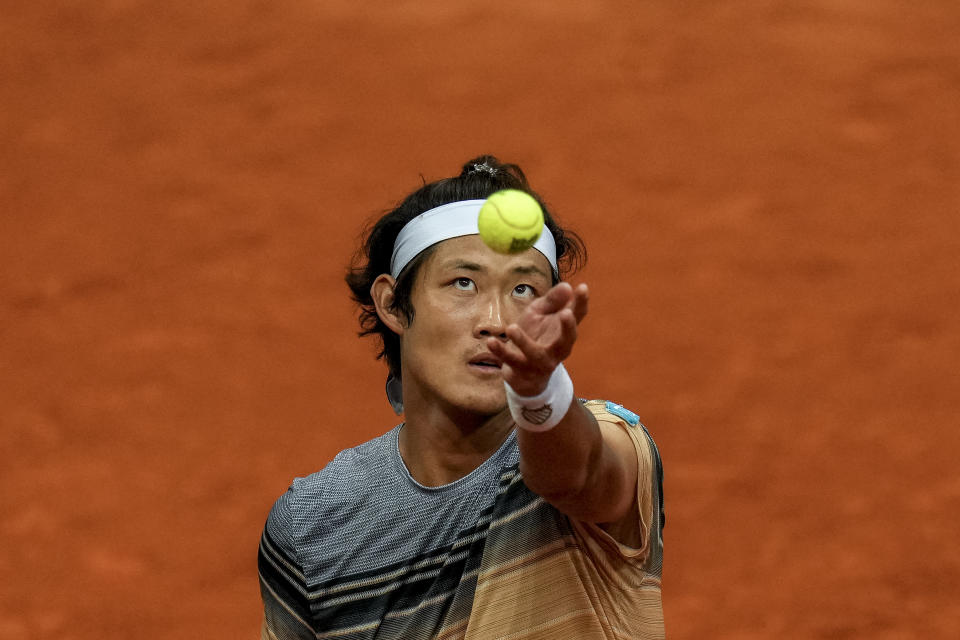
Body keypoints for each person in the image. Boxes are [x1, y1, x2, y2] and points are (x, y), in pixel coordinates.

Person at [257, 155, 665, 639]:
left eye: (523, 289)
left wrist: (539, 391)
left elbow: (575, 476)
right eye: (463, 283)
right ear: (392, 303)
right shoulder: (314, 525)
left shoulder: (615, 443)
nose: (497, 318)